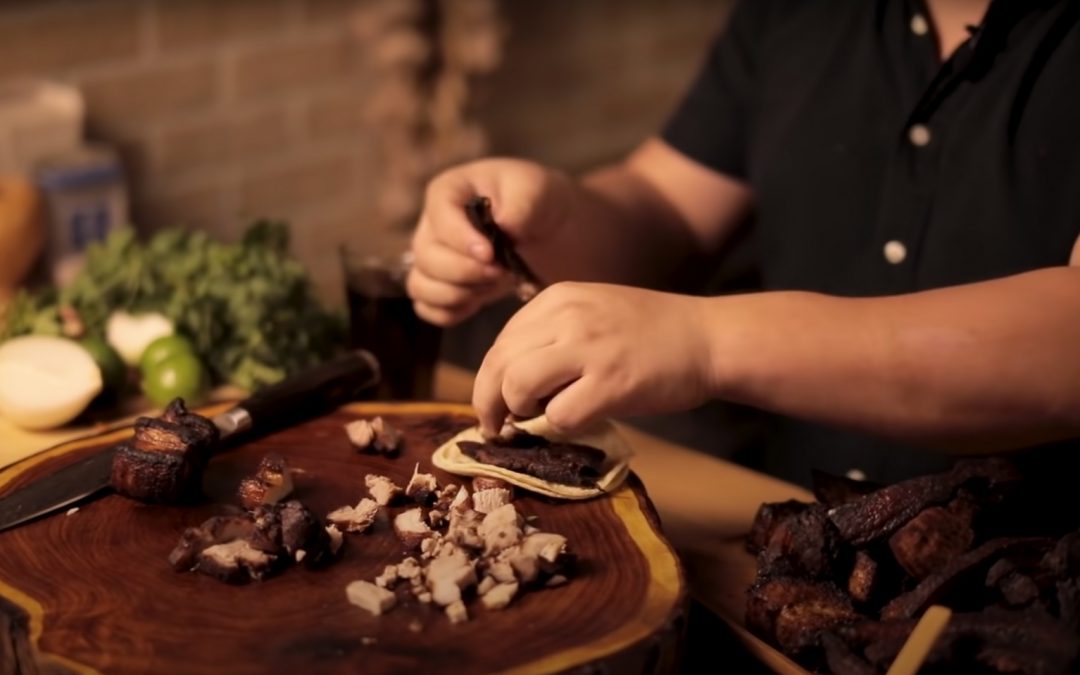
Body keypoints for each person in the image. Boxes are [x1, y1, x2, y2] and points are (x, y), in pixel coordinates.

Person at [404, 0, 1080, 487]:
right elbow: (665, 204)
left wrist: (704, 342)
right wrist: (553, 218)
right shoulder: (792, 14)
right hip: (791, 550)